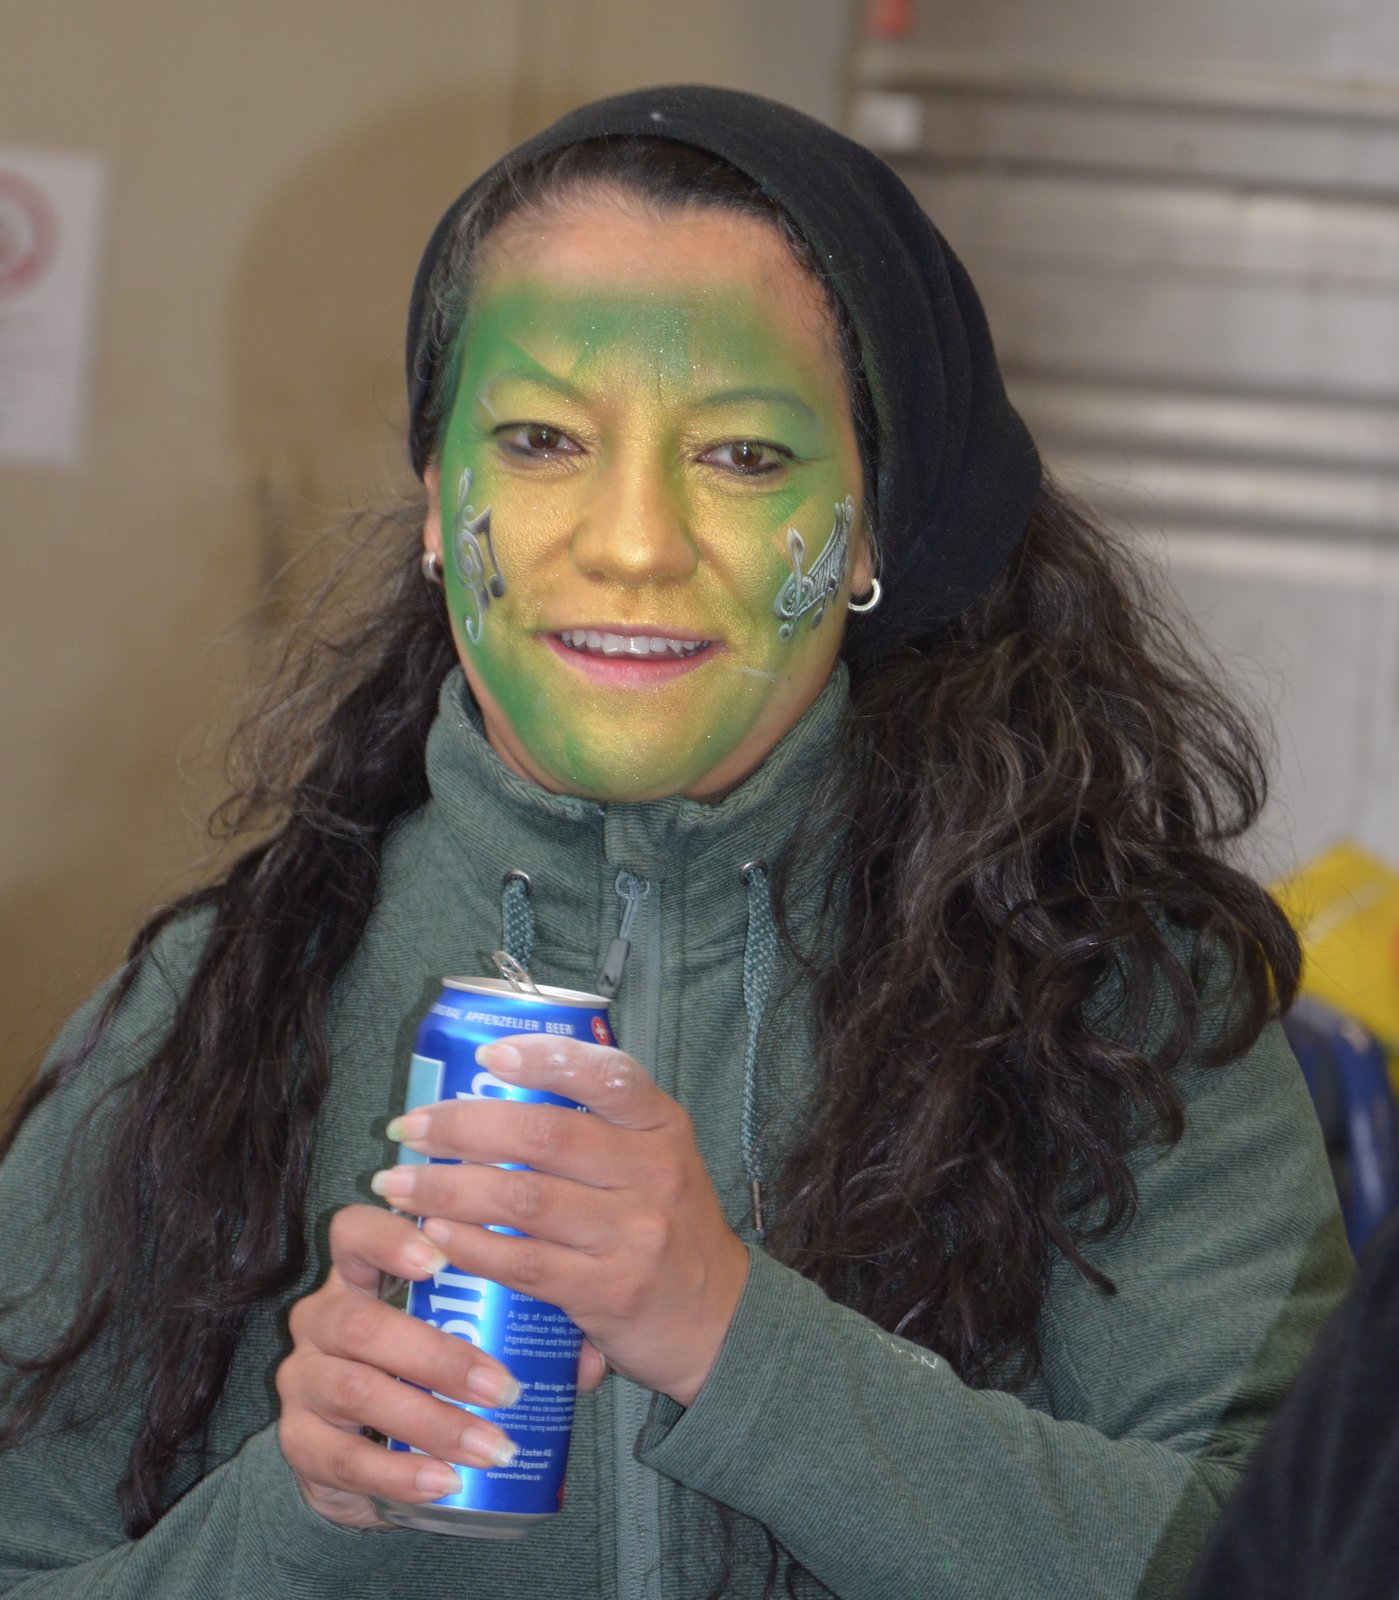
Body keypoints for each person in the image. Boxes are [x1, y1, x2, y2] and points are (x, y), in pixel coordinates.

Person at [0, 85, 1351, 1599]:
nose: (633, 543)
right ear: (438, 502)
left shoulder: (1113, 1002)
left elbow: (1300, 1559)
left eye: (744, 457)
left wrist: (734, 1343)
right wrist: (300, 1515)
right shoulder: (213, 1015)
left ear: (873, 524)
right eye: (541, 439)